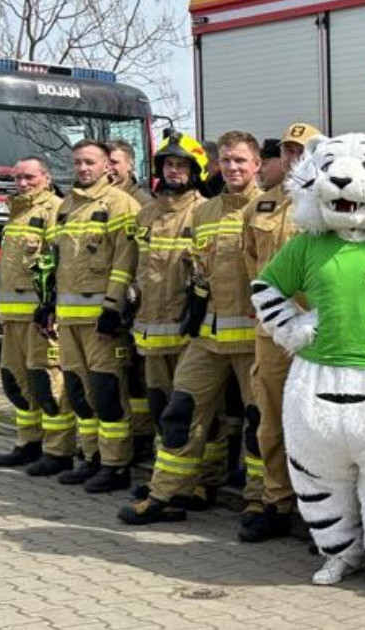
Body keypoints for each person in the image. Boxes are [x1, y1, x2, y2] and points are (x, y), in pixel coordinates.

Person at [119, 131, 264, 524]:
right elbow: (200, 271)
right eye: (227, 160)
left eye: (241, 160)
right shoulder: (205, 212)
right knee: (180, 413)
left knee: (258, 423)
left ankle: (260, 500)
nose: (233, 167)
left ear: (256, 165)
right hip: (207, 337)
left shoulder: (269, 209)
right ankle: (166, 494)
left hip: (254, 340)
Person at [41, 140, 141, 492]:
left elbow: (125, 262)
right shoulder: (67, 206)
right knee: (79, 393)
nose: (83, 168)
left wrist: (113, 307)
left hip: (102, 321)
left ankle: (116, 466)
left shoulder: (120, 204)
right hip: (68, 320)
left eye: (90, 162)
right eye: (78, 162)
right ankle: (92, 457)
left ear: (106, 167)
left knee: (107, 392)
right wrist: (49, 305)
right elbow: (57, 261)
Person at [240, 122, 321, 542]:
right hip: (272, 333)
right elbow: (250, 264)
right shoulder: (260, 207)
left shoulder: (331, 204)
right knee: (270, 422)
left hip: (317, 335)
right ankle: (276, 502)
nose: (295, 157)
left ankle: (319, 511)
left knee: (316, 425)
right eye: (289, 150)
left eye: (303, 150)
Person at [128, 132, 215, 508]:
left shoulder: (204, 212)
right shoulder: (146, 213)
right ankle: (166, 478)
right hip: (149, 330)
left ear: (196, 171)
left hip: (187, 332)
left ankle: (203, 481)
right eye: (168, 165)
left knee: (195, 413)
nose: (173, 171)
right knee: (161, 407)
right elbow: (136, 267)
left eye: (181, 165)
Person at [0, 157, 73, 473]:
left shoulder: (55, 210)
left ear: (46, 178)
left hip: (39, 318)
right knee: (17, 382)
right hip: (12, 318)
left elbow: (58, 262)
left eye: (29, 177)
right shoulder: (17, 212)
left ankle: (58, 451)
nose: (22, 183)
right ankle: (28, 443)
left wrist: (50, 306)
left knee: (47, 382)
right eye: (18, 177)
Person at [107, 138, 156, 461]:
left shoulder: (141, 202)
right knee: (122, 374)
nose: (110, 168)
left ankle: (142, 436)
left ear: (130, 164)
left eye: (115, 162)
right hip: (112, 300)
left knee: (139, 375)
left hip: (137, 301)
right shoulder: (104, 200)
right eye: (107, 162)